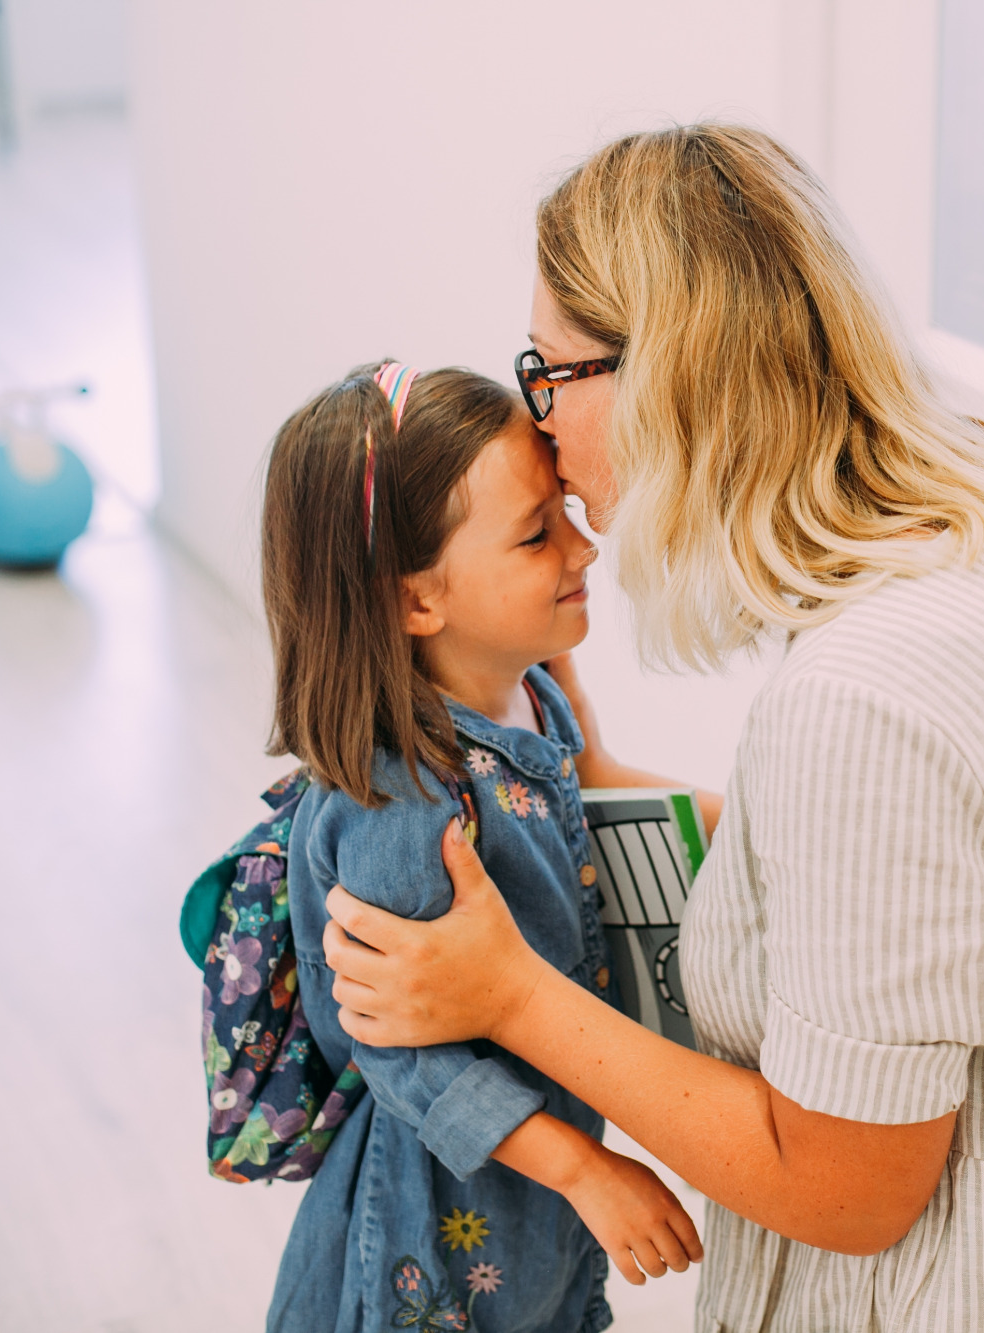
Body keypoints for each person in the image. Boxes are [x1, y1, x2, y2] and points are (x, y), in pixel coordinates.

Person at [322, 126, 984, 1331]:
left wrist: (512, 999)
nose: (536, 429)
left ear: (666, 380)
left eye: (548, 377)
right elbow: (941, 882)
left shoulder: (861, 706)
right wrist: (595, 783)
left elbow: (844, 1189)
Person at [256, 362, 705, 1333]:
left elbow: (586, 804)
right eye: (537, 534)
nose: (585, 545)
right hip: (437, 1219)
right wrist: (583, 1168)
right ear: (417, 599)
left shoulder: (528, 690)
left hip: (525, 1189)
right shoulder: (404, 800)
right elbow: (397, 1049)